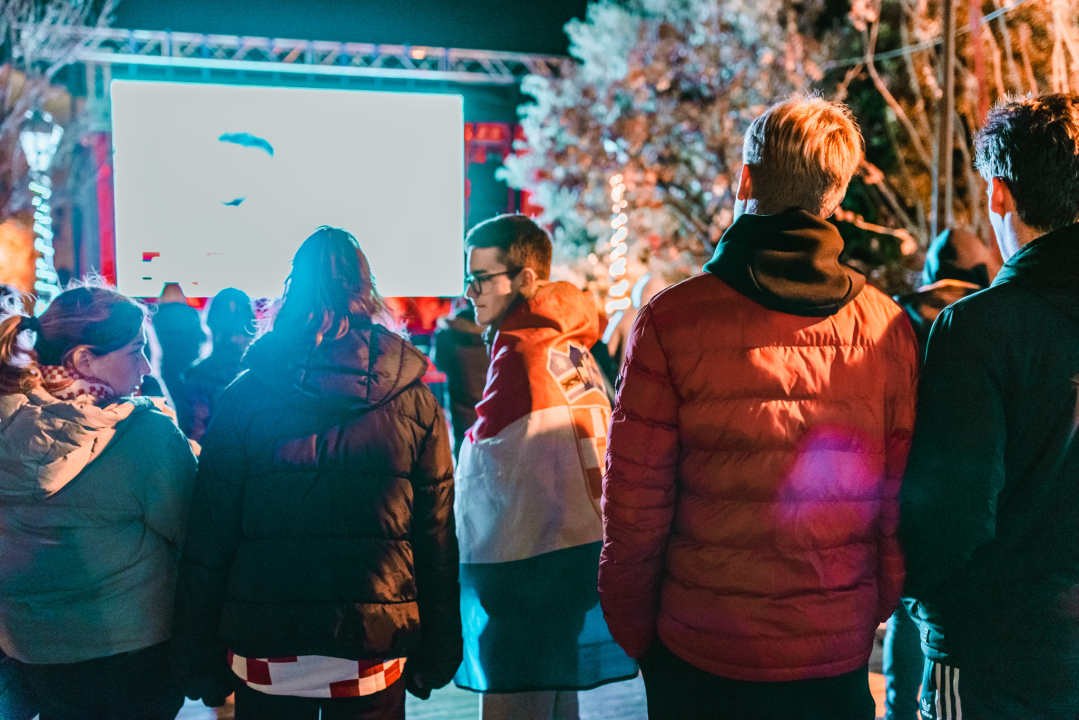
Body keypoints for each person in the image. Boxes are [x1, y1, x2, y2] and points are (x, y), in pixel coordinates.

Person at [599, 97, 919, 720]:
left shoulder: (671, 319)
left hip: (700, 649)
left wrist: (637, 632)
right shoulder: (886, 327)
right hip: (834, 647)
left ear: (746, 177)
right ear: (837, 193)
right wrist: (866, 608)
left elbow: (634, 505)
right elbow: (896, 501)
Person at [171, 227, 462, 720]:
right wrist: (439, 652)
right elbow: (434, 538)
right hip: (374, 648)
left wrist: (199, 658)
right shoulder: (414, 401)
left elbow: (210, 536)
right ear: (365, 291)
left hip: (265, 649)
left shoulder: (245, 397)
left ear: (291, 291)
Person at [901, 94, 1079, 719]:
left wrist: (923, 603)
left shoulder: (976, 330)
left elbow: (952, 509)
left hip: (994, 651)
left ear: (999, 193)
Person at [454, 214, 637, 720]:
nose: (471, 291)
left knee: (517, 692)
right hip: (577, 555)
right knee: (559, 695)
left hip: (528, 566)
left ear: (526, 280)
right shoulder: (571, 342)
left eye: (482, 278)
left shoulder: (520, 349)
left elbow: (484, 460)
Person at [0, 284, 197, 720]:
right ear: (84, 358)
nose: (146, 366)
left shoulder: (8, 427)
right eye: (135, 350)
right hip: (131, 654)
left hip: (33, 656)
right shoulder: (146, 436)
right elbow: (192, 534)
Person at [883, 227, 1001, 720]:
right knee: (947, 620)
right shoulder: (993, 316)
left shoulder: (901, 317)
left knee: (904, 617)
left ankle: (896, 711)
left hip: (902, 480)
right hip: (964, 483)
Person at [180, 287, 257, 441]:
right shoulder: (262, 374)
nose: (236, 338)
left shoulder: (195, 375)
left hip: (213, 457)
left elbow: (195, 431)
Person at [432, 300, 488, 458]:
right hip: (491, 405)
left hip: (461, 408)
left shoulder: (447, 332)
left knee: (465, 456)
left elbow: (439, 364)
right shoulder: (494, 333)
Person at [152, 283, 206, 418]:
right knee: (191, 405)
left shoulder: (158, 314)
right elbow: (201, 337)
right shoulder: (190, 312)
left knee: (173, 403)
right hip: (190, 364)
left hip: (168, 364)